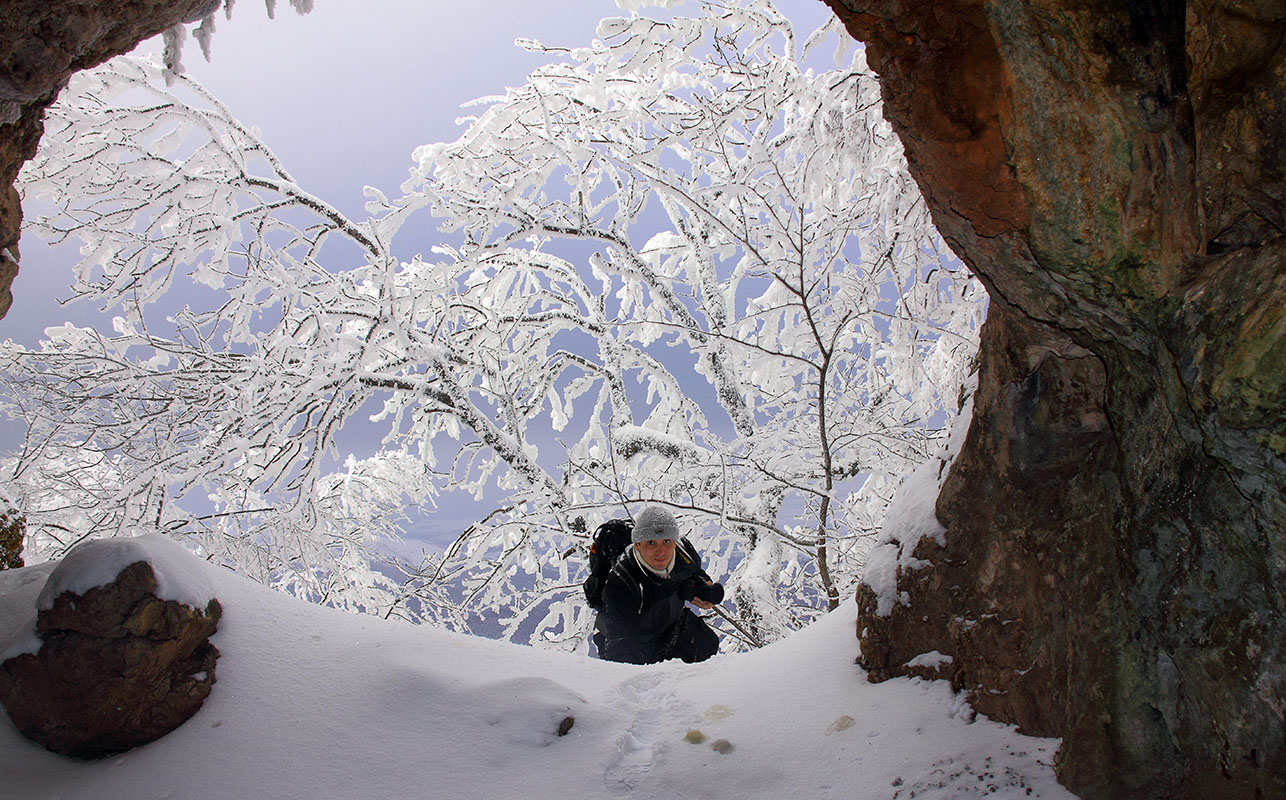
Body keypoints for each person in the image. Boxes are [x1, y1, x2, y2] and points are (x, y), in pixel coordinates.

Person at [598, 504, 724, 665]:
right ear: (637, 545)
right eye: (651, 543)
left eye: (666, 541)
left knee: (704, 644)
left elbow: (692, 574)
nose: (661, 551)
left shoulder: (682, 553)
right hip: (637, 638)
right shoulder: (622, 580)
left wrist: (701, 590)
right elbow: (621, 644)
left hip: (667, 627)